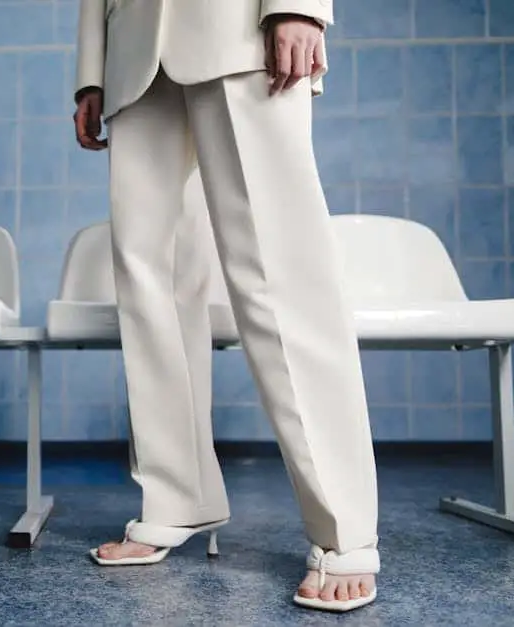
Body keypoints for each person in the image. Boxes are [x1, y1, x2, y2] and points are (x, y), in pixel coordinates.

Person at [71, 0, 380, 613]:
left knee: (278, 270)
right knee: (145, 276)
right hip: (133, 50)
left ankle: (345, 528)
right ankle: (177, 496)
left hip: (240, 27)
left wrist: (298, 6)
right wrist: (92, 70)